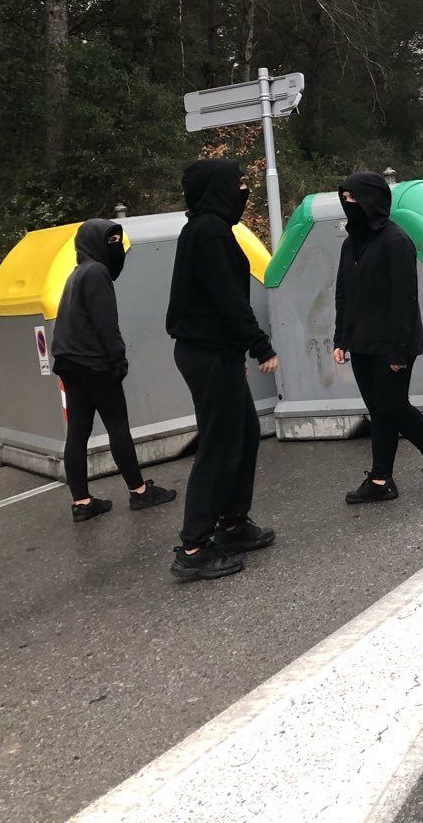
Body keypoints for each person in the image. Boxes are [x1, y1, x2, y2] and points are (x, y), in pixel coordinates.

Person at [165, 159, 279, 581]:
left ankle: (232, 524)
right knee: (219, 444)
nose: (243, 190)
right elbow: (228, 297)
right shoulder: (209, 231)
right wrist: (259, 344)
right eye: (238, 183)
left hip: (216, 352)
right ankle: (194, 547)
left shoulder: (207, 228)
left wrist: (236, 351)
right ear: (217, 189)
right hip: (207, 353)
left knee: (244, 434)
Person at [332, 171, 423, 503]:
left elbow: (404, 300)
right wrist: (341, 338)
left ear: (372, 201)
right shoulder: (349, 245)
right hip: (362, 342)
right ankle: (381, 478)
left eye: (353, 198)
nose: (348, 204)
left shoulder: (396, 241)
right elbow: (343, 294)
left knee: (393, 406)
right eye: (344, 199)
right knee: (379, 409)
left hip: (393, 342)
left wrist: (399, 351)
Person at [50, 219, 177, 522]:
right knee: (117, 427)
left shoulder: (76, 273)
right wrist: (118, 361)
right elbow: (106, 323)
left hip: (69, 363)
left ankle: (82, 503)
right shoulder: (97, 273)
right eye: (110, 241)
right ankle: (139, 491)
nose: (115, 247)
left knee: (77, 433)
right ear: (94, 243)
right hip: (95, 364)